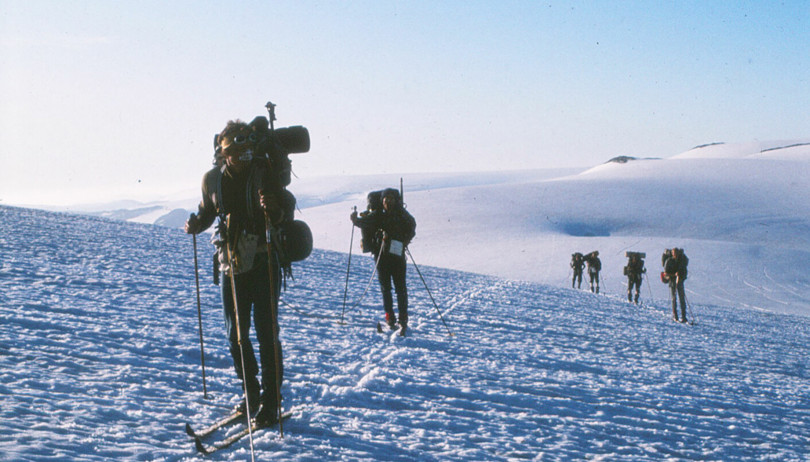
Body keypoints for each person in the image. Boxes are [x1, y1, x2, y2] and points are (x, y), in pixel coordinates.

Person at [185, 119, 293, 426]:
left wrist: (272, 208)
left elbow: (281, 212)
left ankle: (270, 402)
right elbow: (208, 212)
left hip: (264, 261)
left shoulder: (265, 174)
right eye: (238, 150)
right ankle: (251, 394)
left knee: (266, 332)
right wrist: (196, 225)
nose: (244, 155)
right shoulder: (211, 181)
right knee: (236, 334)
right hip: (231, 264)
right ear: (225, 153)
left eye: (248, 149)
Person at [351, 188, 416, 334]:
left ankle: (400, 318)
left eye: (391, 199)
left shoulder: (396, 214)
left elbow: (412, 226)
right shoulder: (384, 214)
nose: (388, 202)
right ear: (382, 201)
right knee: (389, 288)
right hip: (385, 256)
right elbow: (364, 223)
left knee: (397, 288)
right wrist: (355, 221)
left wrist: (405, 240)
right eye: (386, 199)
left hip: (393, 256)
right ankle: (392, 317)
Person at [663, 247, 689, 322]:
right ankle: (676, 316)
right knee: (674, 299)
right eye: (674, 253)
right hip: (672, 282)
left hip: (680, 281)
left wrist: (680, 276)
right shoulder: (669, 261)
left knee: (681, 299)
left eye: (676, 253)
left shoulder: (681, 261)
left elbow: (684, 271)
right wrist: (674, 275)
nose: (675, 254)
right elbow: (665, 273)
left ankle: (683, 317)